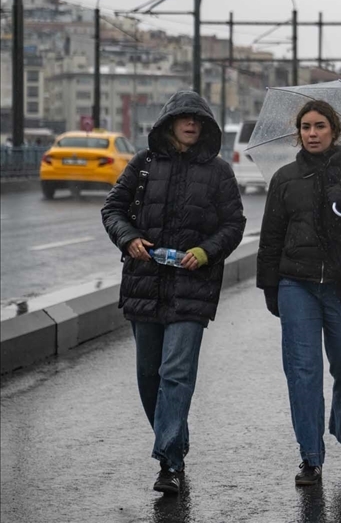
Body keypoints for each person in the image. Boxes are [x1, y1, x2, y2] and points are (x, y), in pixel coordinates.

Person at [101, 90, 246, 496]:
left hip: (191, 287)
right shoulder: (142, 165)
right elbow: (112, 209)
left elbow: (234, 224)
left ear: (206, 128)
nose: (192, 124)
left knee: (176, 374)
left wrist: (206, 251)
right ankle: (176, 444)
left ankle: (168, 463)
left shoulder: (218, 172)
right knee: (149, 375)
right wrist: (128, 237)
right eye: (185, 118)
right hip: (144, 283)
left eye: (199, 120)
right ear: (168, 123)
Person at [257, 99, 341, 486]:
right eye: (305, 127)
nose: (312, 133)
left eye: (320, 126)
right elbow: (270, 239)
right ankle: (311, 457)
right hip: (295, 285)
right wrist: (270, 287)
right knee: (302, 372)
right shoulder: (285, 179)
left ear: (334, 131)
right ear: (298, 132)